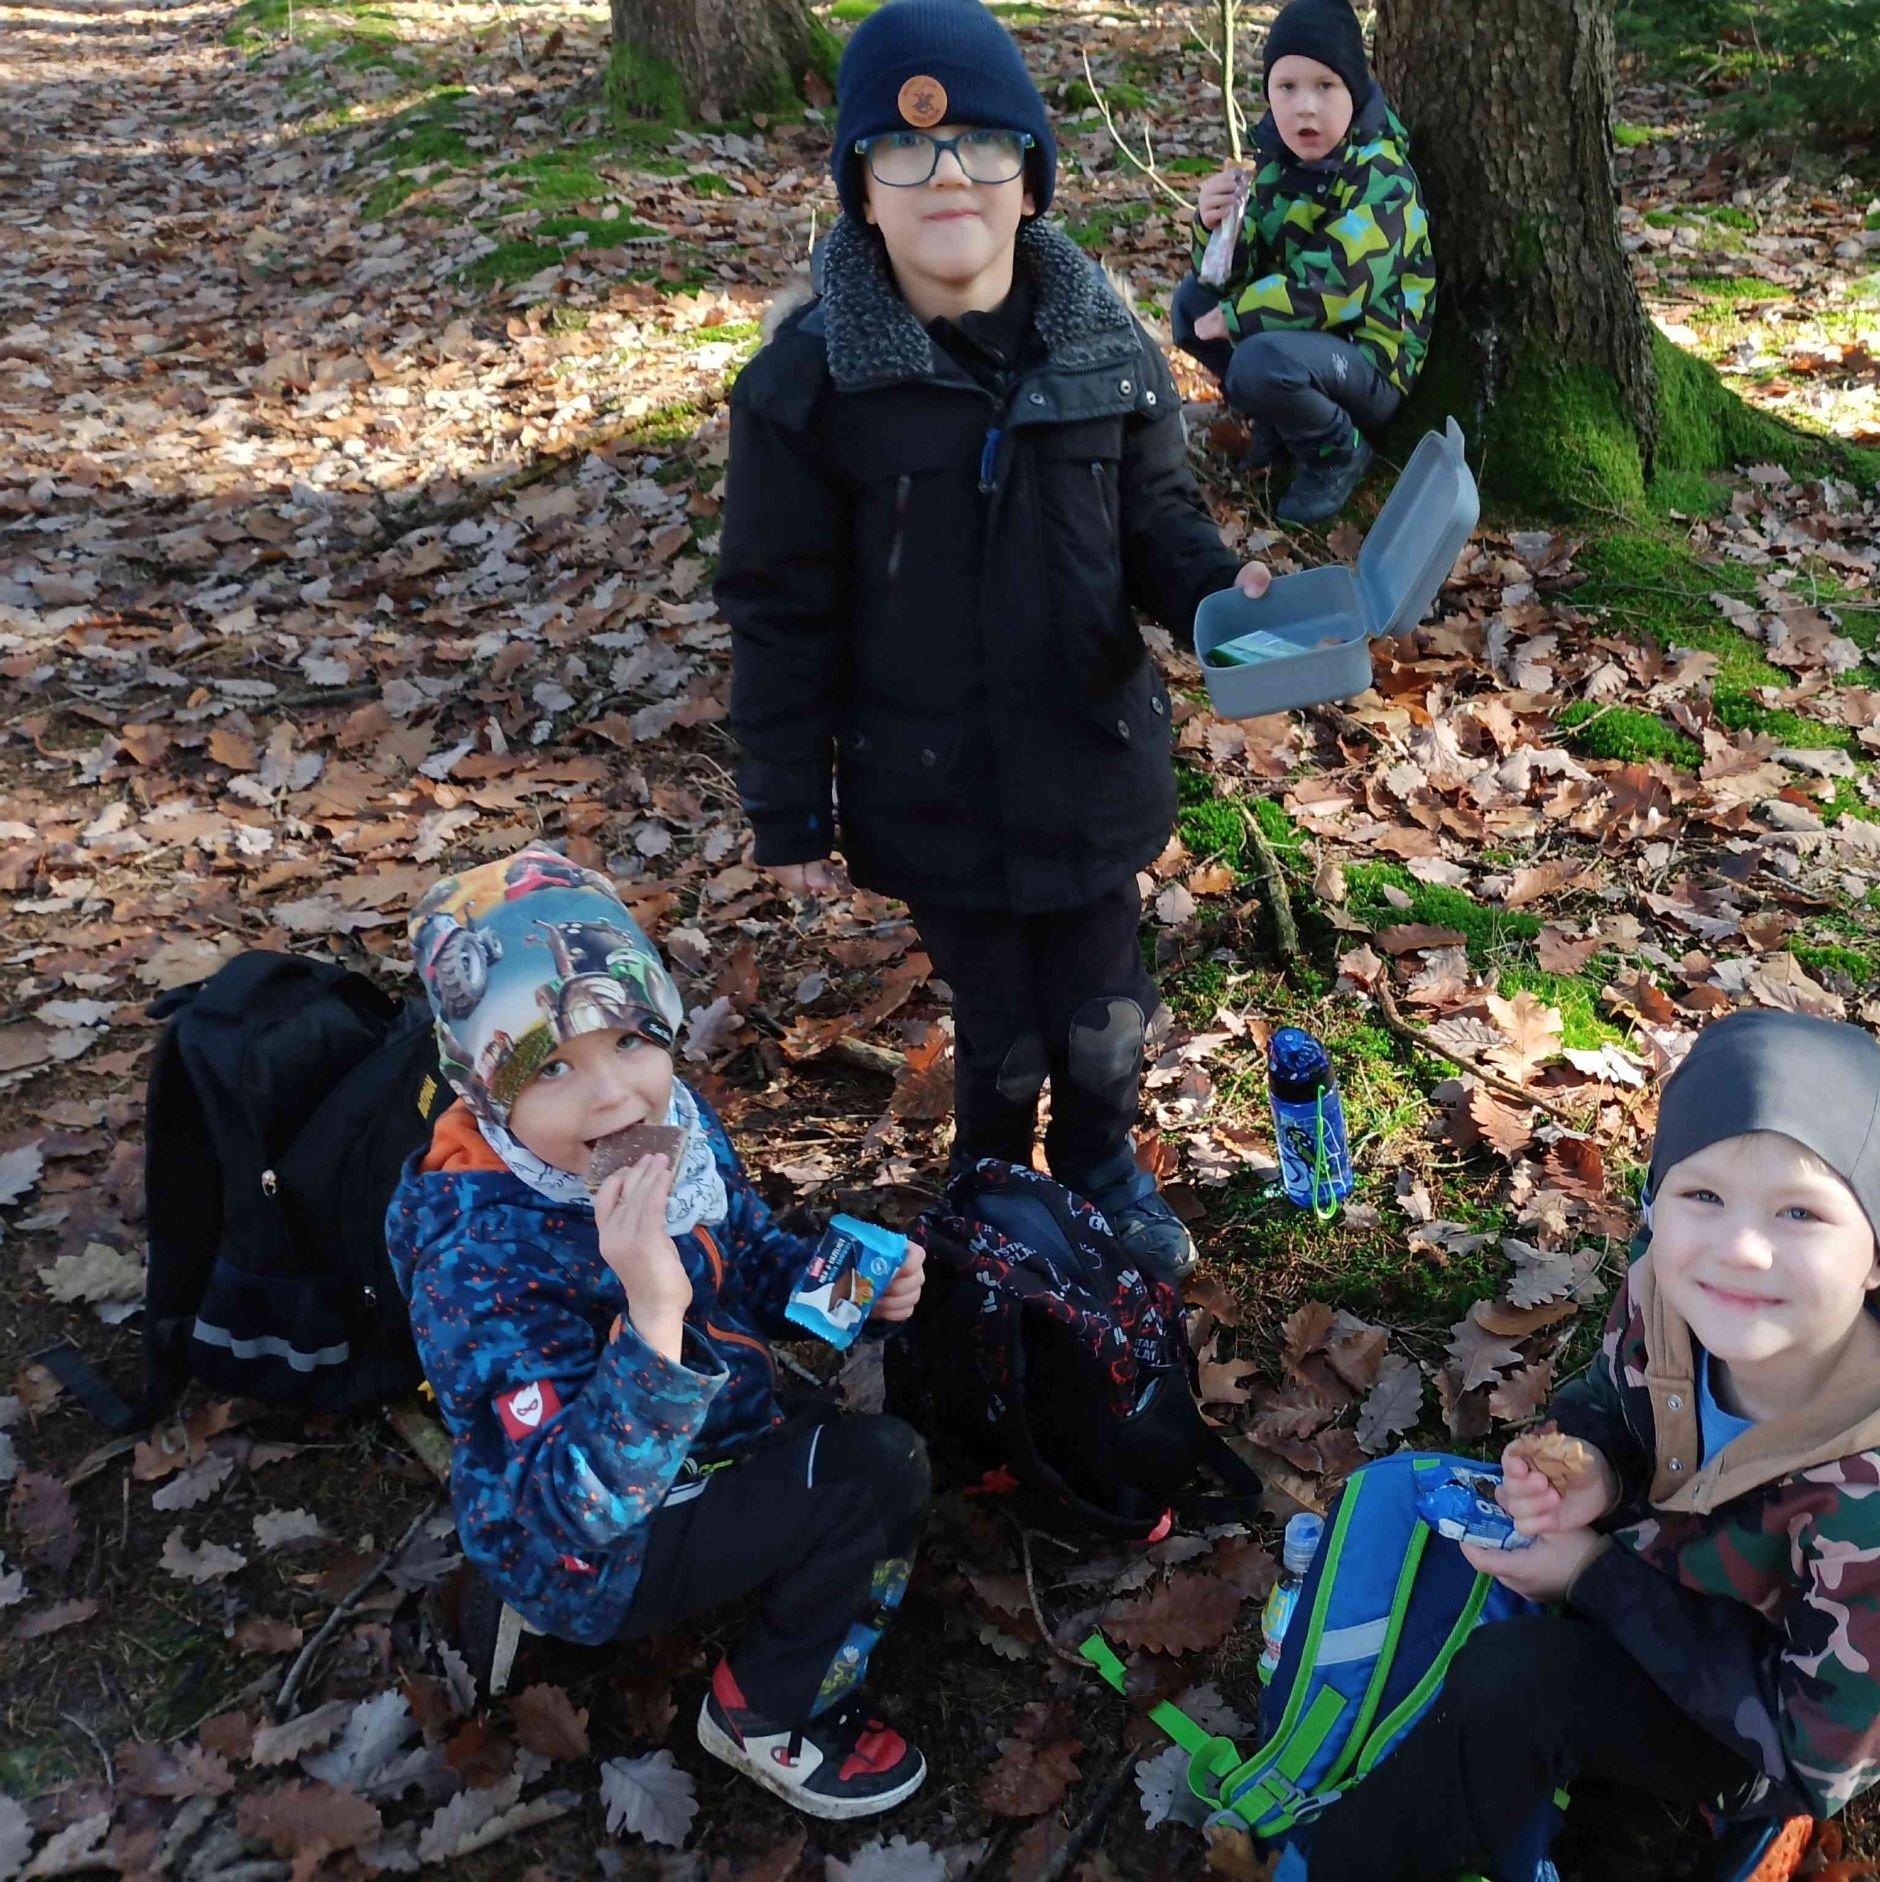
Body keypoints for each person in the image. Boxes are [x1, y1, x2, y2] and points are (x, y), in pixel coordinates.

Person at [716, 0, 1269, 1281]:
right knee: (1003, 1018)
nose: (947, 176)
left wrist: (1219, 600)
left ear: (1030, 177)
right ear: (862, 189)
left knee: (1104, 1005)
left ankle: (1100, 1169)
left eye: (981, 145)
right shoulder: (809, 386)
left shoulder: (1105, 349)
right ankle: (988, 1183)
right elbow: (778, 607)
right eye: (905, 151)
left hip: (1091, 752)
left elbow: (1159, 522)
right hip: (932, 777)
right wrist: (787, 807)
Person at [1304, 1010, 1880, 1882]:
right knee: (1414, 1527)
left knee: (1516, 1685)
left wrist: (1593, 1578)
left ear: (1878, 1252)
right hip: (1650, 1581)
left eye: (1800, 1212)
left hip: (1747, 1732)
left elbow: (1817, 1757)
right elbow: (1607, 1401)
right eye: (1703, 1198)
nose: (1742, 1249)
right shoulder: (1673, 1294)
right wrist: (1593, 1468)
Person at [387, 848, 936, 1823]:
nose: (615, 1097)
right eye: (551, 1065)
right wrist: (652, 1315)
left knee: (876, 1428)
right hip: (590, 1548)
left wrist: (849, 1283)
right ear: (484, 1087)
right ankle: (768, 1710)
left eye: (632, 1038)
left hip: (709, 1428)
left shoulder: (666, 1118)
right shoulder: (477, 1259)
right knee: (878, 1474)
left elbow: (745, 1252)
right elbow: (567, 1515)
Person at [1171, 0, 1437, 524]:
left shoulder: (1382, 177)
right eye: (1287, 87)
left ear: (1353, 89)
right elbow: (1229, 275)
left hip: (1371, 360)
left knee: (1258, 358)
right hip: (1298, 345)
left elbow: (1334, 286)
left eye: (1325, 86)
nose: (1305, 108)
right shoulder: (1276, 166)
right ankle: (1281, 420)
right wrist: (1213, 226)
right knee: (1189, 306)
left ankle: (1338, 450)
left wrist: (1238, 316)